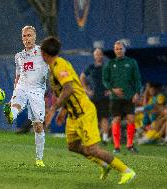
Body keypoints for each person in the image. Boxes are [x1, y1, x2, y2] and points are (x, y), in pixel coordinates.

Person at [41, 36, 136, 185]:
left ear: (44, 54)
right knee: (72, 146)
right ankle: (104, 165)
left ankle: (126, 171)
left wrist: (53, 108)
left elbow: (68, 88)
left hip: (84, 112)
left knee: (93, 149)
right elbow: (68, 92)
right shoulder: (53, 67)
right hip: (73, 114)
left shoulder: (59, 65)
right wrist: (64, 111)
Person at [3, 25, 49, 167]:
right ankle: (12, 113)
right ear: (22, 38)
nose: (27, 38)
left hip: (37, 90)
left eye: (29, 35)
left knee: (38, 126)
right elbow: (17, 77)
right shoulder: (19, 56)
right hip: (22, 86)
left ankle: (39, 159)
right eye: (24, 36)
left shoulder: (43, 52)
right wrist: (13, 95)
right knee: (17, 103)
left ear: (35, 36)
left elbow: (53, 68)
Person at [103, 41, 142, 153]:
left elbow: (137, 79)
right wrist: (113, 89)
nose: (119, 51)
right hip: (115, 98)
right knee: (116, 119)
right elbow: (105, 80)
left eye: (121, 48)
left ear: (124, 50)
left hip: (129, 96)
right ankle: (116, 147)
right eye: (117, 49)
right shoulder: (110, 64)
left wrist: (137, 93)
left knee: (131, 119)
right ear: (114, 50)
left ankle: (130, 144)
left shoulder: (132, 62)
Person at [80, 48, 110, 145]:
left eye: (100, 54)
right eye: (96, 54)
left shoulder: (107, 67)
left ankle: (105, 139)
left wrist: (110, 90)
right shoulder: (91, 67)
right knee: (92, 118)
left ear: (102, 55)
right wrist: (87, 90)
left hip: (104, 97)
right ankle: (94, 137)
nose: (98, 56)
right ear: (94, 56)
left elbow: (113, 79)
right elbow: (82, 77)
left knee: (104, 118)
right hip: (93, 97)